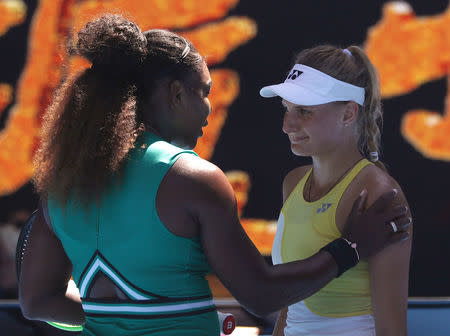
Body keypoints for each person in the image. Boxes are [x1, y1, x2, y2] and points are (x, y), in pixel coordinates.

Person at [18, 15, 410, 336]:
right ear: (176, 94)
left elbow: (37, 302)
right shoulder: (193, 178)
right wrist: (351, 247)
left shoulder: (63, 182)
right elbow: (261, 295)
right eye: (204, 91)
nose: (209, 107)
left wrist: (117, 323)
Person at [259, 45, 413, 336]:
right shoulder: (292, 182)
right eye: (287, 109)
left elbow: (392, 329)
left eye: (303, 111)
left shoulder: (378, 192)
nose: (287, 125)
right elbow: (290, 306)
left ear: (348, 114)